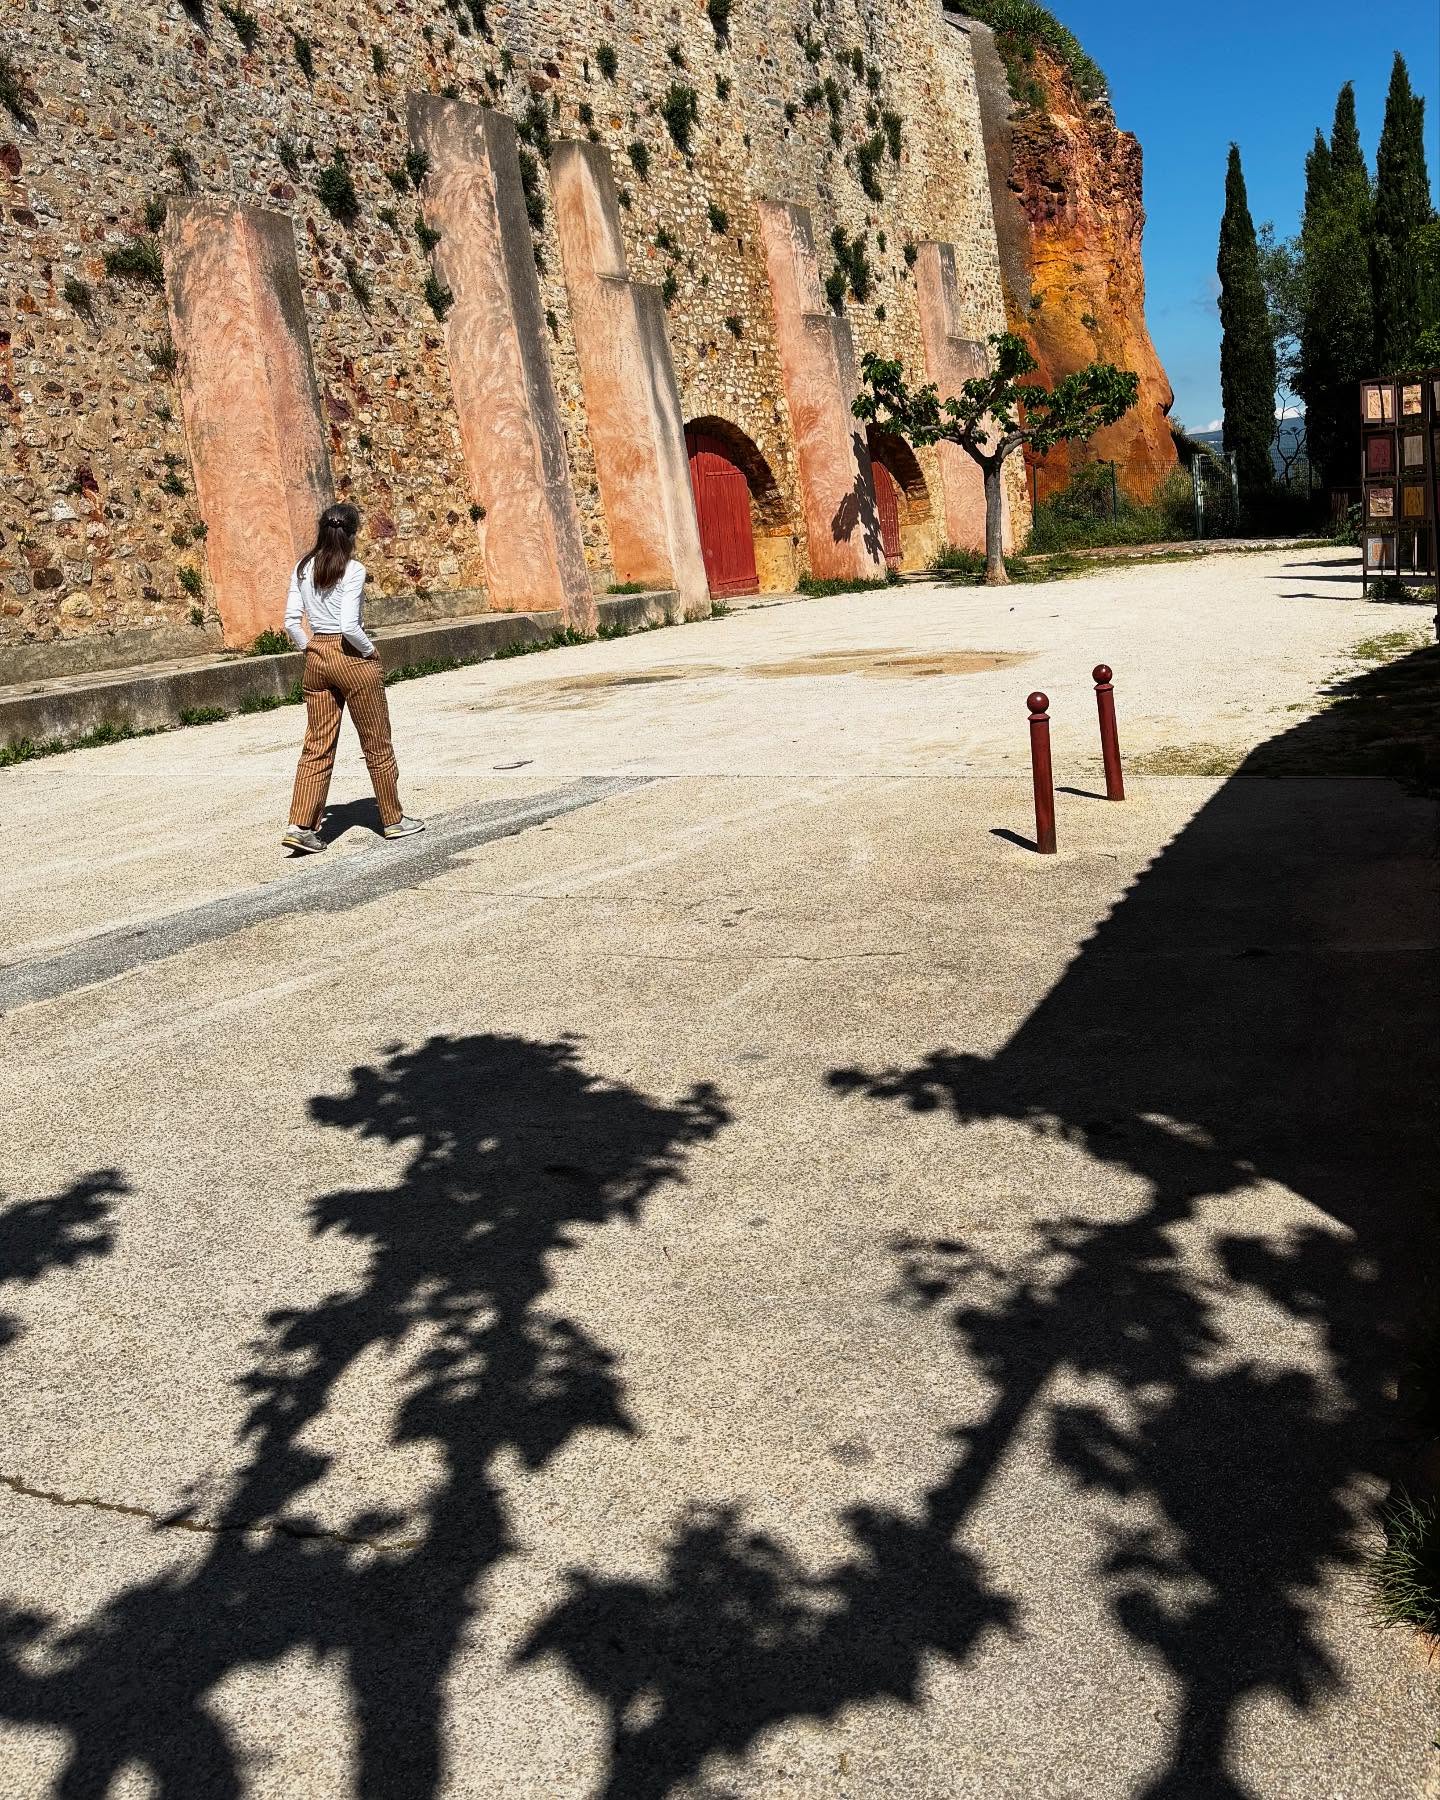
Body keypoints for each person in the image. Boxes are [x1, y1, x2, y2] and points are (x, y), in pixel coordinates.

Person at [280, 503, 424, 853]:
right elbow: (349, 626)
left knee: (317, 744)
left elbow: (290, 622)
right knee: (376, 742)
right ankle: (392, 819)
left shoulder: (302, 568)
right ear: (353, 533)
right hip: (350, 655)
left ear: (322, 530)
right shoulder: (353, 569)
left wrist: (310, 649)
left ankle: (301, 826)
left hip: (317, 656)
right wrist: (369, 650)